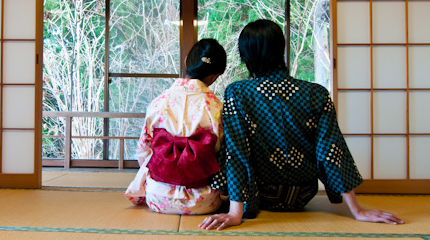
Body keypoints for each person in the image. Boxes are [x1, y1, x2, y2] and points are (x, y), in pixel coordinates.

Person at [199, 20, 404, 230]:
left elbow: (237, 153)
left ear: (246, 55)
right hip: (303, 194)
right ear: (281, 49)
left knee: (225, 142)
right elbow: (331, 150)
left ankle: (230, 203)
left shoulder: (238, 92)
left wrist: (235, 213)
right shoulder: (316, 93)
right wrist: (357, 210)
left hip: (260, 195)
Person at [125, 38, 227, 215]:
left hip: (157, 197)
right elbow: (219, 152)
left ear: (187, 59)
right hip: (203, 202)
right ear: (216, 75)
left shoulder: (157, 103)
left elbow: (143, 150)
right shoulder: (216, 108)